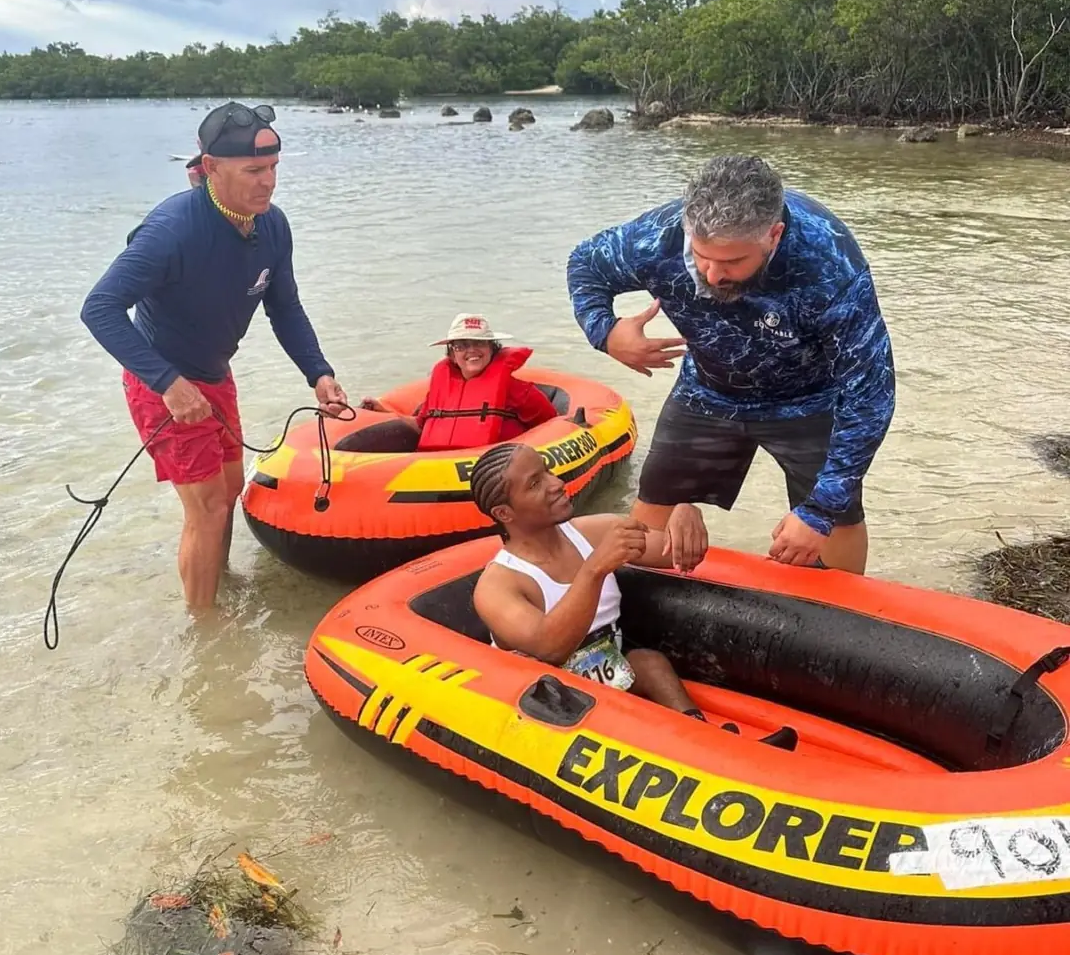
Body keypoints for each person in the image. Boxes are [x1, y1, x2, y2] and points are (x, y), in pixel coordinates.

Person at [567, 154, 894, 574]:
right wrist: (606, 333)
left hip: (808, 400)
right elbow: (585, 264)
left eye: (733, 262)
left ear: (773, 235)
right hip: (707, 391)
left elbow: (870, 392)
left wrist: (819, 511)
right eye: (702, 256)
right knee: (650, 523)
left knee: (838, 516)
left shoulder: (829, 263)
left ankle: (847, 610)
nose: (713, 275)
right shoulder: (657, 237)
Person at [81, 100, 346, 611]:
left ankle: (217, 589)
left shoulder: (272, 225)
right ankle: (204, 632)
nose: (268, 182)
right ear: (210, 170)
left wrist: (319, 372)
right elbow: (100, 308)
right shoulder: (172, 230)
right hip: (162, 384)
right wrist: (168, 383)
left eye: (272, 169)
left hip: (214, 376)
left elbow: (285, 306)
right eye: (253, 171)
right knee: (204, 509)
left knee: (226, 496)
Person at [468, 443, 796, 746]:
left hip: (608, 670)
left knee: (649, 663)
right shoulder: (499, 585)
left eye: (548, 471)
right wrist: (594, 569)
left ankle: (705, 738)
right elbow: (549, 648)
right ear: (504, 514)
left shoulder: (593, 531)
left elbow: (675, 554)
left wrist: (686, 514)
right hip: (551, 704)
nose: (556, 483)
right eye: (535, 483)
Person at [360, 313, 559, 450]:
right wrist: (383, 411)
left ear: (492, 349)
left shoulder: (517, 390)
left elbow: (552, 425)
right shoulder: (440, 389)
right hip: (435, 470)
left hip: (493, 471)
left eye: (479, 343)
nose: (471, 350)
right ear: (452, 355)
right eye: (462, 345)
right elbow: (422, 426)